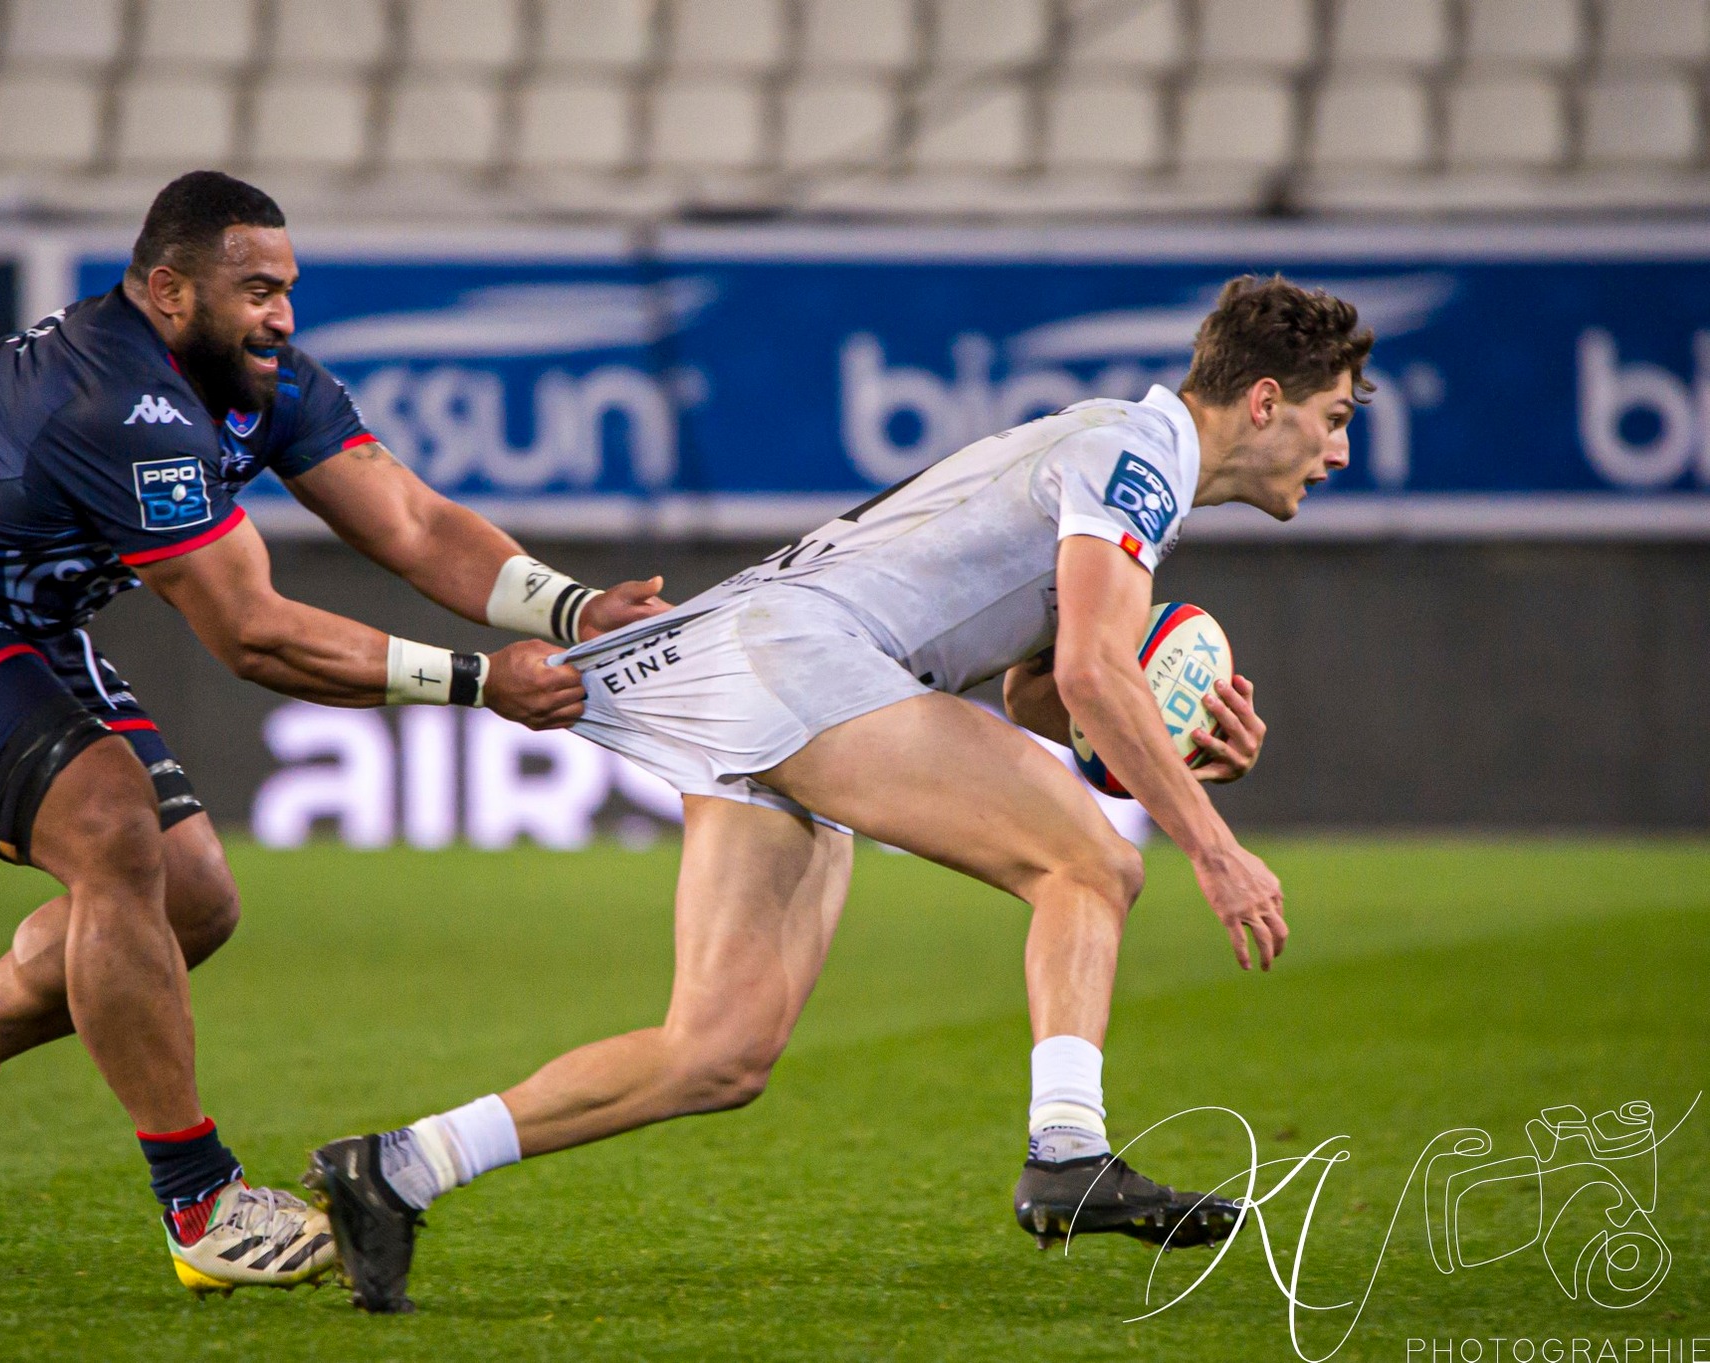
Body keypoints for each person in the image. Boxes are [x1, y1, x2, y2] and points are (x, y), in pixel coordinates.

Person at [306, 275, 1374, 1314]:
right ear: (1264, 401)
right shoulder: (1139, 455)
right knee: (1090, 863)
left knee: (718, 1051)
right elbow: (1095, 672)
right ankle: (1067, 1152)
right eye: (1331, 418)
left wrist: (1172, 745)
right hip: (810, 661)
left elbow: (1038, 693)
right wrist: (1215, 849)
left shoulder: (1103, 440)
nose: (1337, 450)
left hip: (764, 664)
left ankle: (397, 1167)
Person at [0, 171, 666, 1295]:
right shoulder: (122, 399)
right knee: (109, 825)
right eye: (255, 290)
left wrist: (573, 609)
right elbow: (254, 635)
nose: (281, 317)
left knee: (191, 898)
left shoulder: (257, 378)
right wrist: (480, 682)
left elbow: (413, 521)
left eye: (287, 289)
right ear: (165, 290)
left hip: (21, 614)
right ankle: (199, 1202)